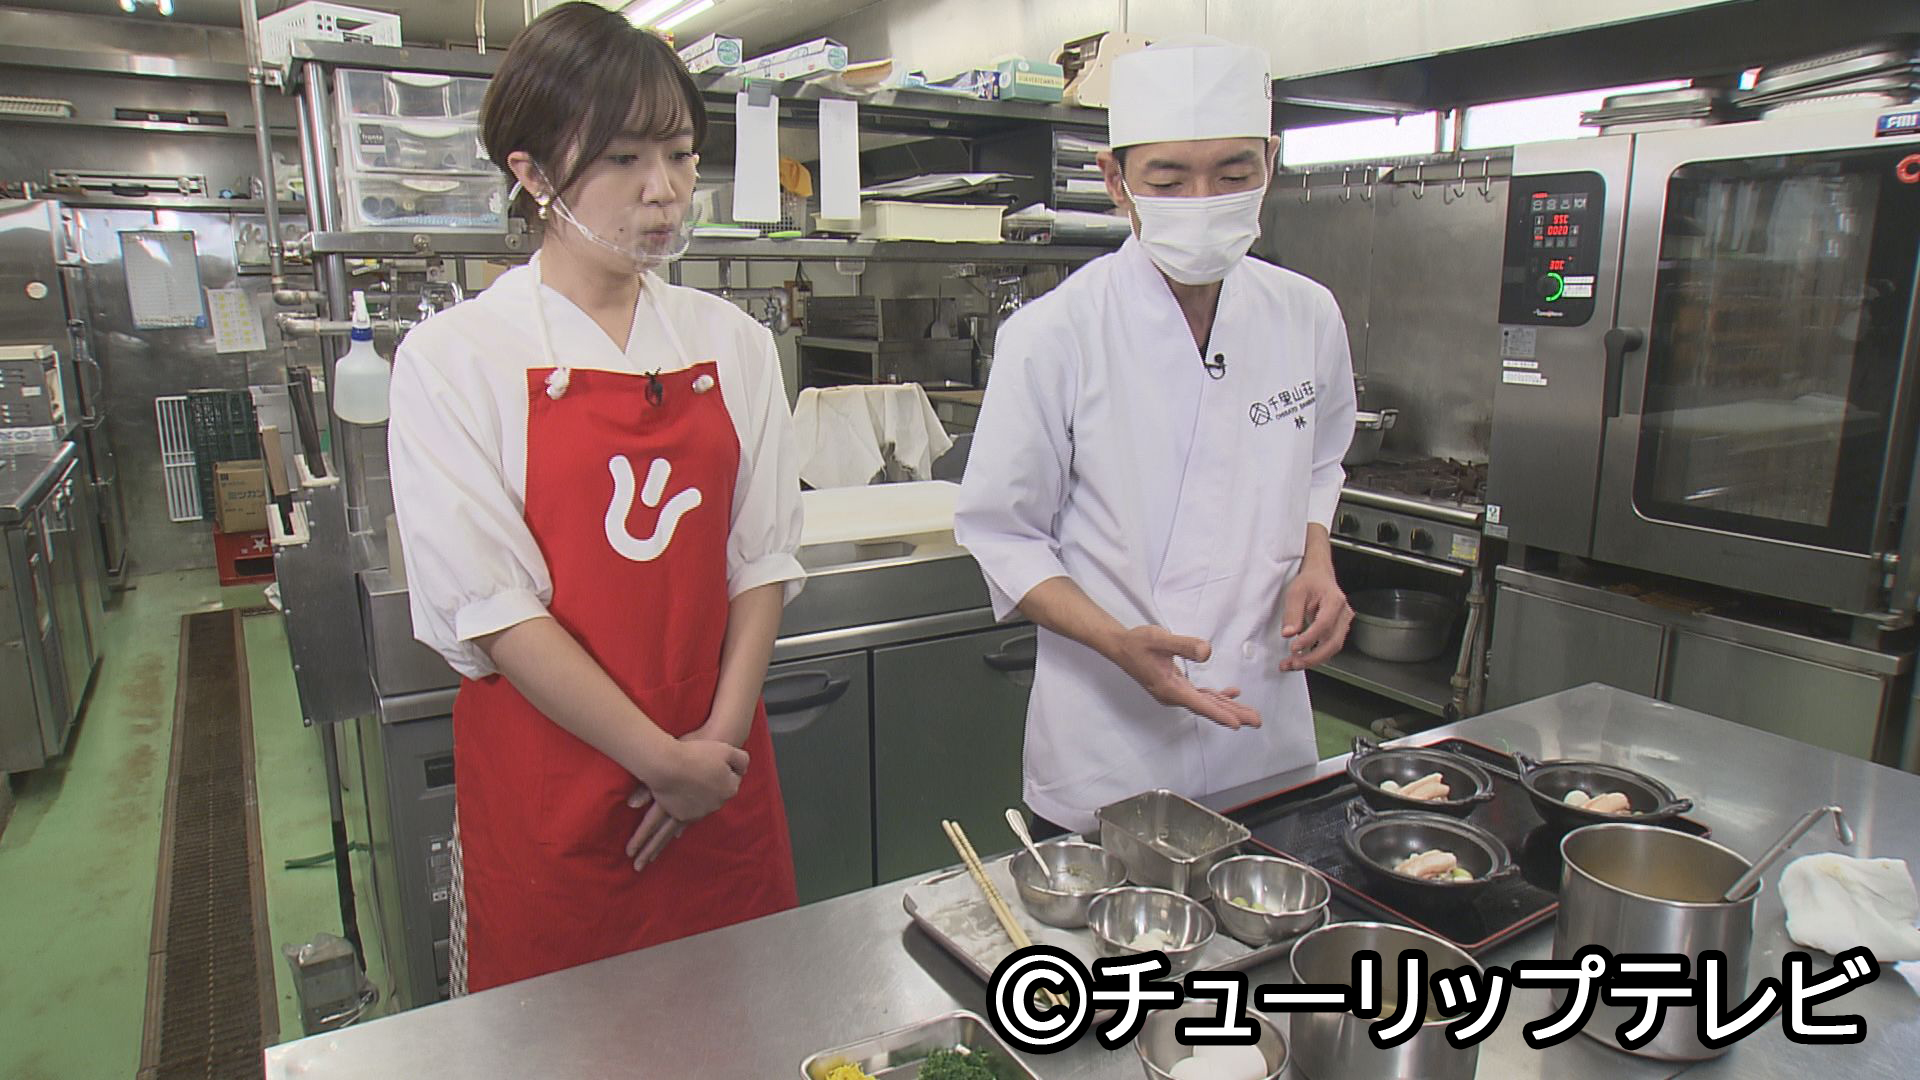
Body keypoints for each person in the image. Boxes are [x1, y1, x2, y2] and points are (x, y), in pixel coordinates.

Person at [387, 2, 804, 995]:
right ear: (532, 173)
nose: (664, 190)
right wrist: (658, 759)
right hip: (559, 795)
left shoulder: (732, 344)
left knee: (745, 1022)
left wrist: (713, 745)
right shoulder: (457, 358)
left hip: (718, 779)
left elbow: (761, 557)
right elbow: (495, 610)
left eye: (680, 154)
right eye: (623, 158)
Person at [954, 36, 1358, 837]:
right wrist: (1117, 643)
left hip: (1263, 739)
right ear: (1115, 180)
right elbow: (1004, 533)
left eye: (1233, 175)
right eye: (1169, 180)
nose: (1202, 201)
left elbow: (1320, 462)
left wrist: (1318, 559)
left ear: (1271, 163)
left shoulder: (1306, 314)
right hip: (1111, 745)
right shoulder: (1055, 335)